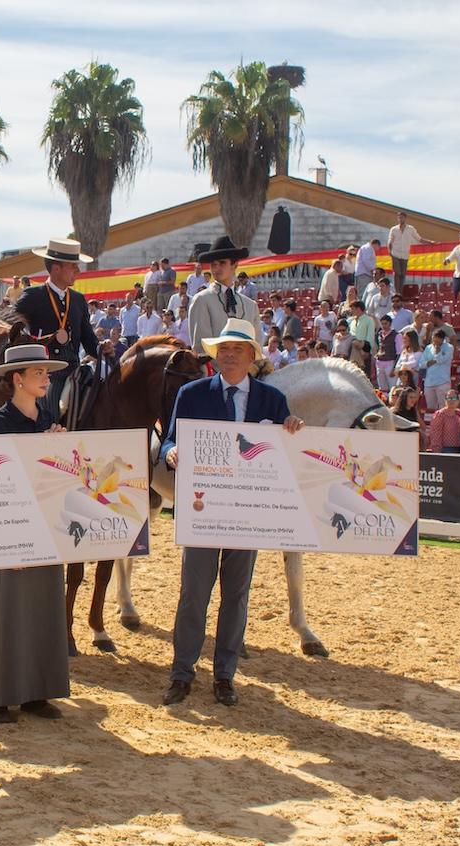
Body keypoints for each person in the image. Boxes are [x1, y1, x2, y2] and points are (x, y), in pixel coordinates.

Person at [160, 318, 303, 707]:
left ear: (253, 356)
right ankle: (181, 672)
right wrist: (170, 452)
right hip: (203, 509)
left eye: (237, 349)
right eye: (223, 349)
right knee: (194, 594)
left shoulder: (272, 401)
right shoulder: (191, 393)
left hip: (249, 514)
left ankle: (225, 675)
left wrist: (292, 426)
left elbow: (289, 448)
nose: (228, 355)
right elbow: (170, 437)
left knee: (236, 596)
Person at [0, 344, 72, 723]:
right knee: (8, 610)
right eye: (39, 373)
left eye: (46, 374)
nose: (46, 380)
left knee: (45, 606)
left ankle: (36, 694)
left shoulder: (48, 418)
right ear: (17, 379)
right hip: (10, 528)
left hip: (45, 527)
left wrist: (59, 447)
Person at [13, 238, 109, 419]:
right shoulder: (33, 296)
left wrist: (101, 349)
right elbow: (13, 331)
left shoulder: (79, 300)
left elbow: (89, 340)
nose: (78, 271)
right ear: (57, 268)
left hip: (74, 368)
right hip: (46, 371)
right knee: (50, 410)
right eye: (74, 266)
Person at [188, 236, 259, 358]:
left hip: (246, 373)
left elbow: (257, 346)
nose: (217, 268)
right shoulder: (201, 300)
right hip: (216, 374)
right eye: (213, 264)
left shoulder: (250, 305)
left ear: (235, 265)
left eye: (222, 263)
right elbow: (201, 347)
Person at [387, 210, 435, 292]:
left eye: (401, 217)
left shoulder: (410, 229)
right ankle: (397, 292)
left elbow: (419, 239)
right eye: (399, 218)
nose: (400, 219)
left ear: (405, 218)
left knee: (402, 275)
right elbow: (390, 240)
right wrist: (390, 251)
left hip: (405, 255)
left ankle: (400, 292)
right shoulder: (394, 229)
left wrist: (430, 242)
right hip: (395, 253)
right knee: (397, 273)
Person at [419, 329, 454, 411]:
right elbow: (421, 363)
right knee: (430, 408)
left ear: (442, 339)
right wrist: (429, 363)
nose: (435, 340)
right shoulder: (428, 348)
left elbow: (442, 360)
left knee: (444, 408)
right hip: (429, 382)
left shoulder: (449, 347)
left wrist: (438, 351)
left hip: (443, 382)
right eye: (434, 337)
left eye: (438, 338)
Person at [375, 315, 398, 391]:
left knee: (393, 387)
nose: (384, 326)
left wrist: (394, 368)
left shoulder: (396, 335)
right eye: (382, 324)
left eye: (386, 324)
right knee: (382, 388)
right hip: (379, 362)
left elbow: (399, 353)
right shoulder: (379, 334)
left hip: (390, 362)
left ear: (390, 324)